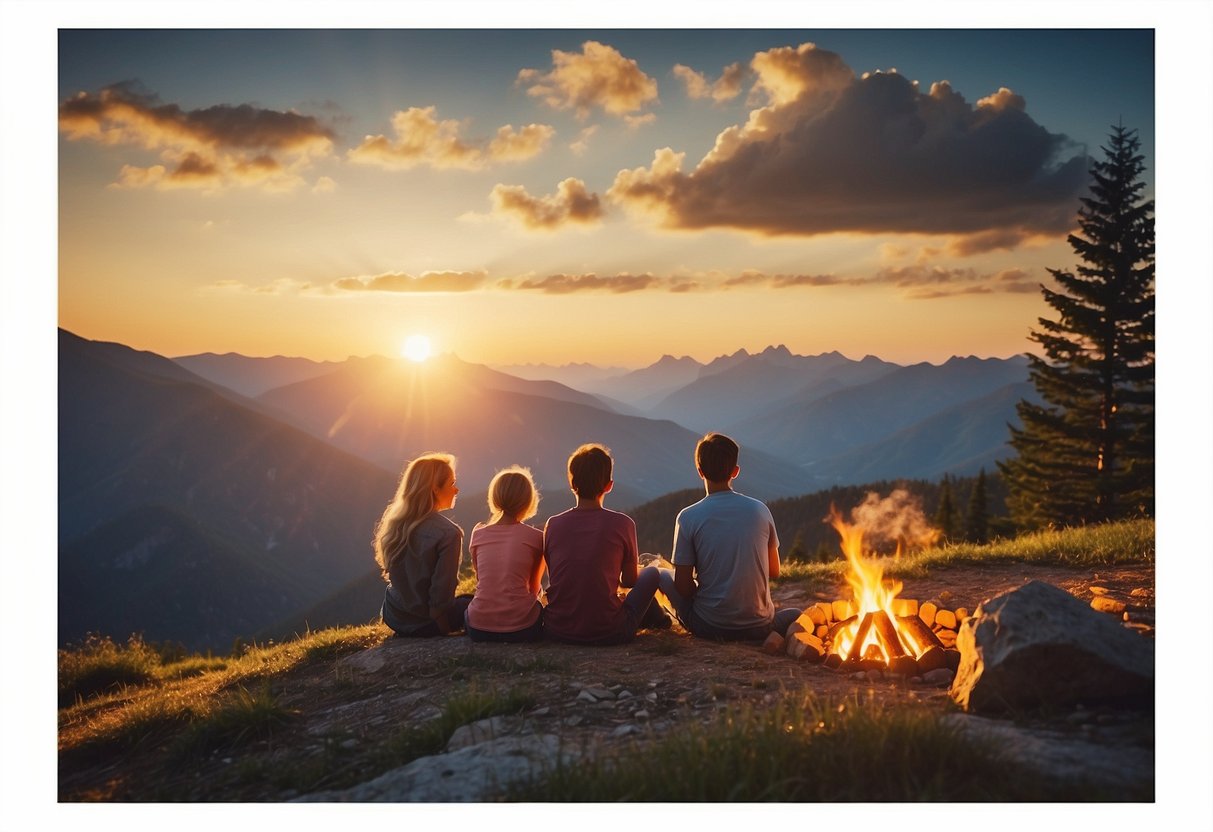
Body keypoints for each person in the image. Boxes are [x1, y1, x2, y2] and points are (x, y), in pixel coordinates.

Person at [658, 433, 801, 640]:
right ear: (735, 471)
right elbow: (774, 570)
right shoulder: (759, 510)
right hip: (760, 627)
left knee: (662, 574)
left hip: (708, 626)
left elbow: (683, 587)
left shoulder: (688, 517)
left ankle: (655, 619)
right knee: (796, 614)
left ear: (700, 472)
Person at [542, 443, 669, 645]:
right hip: (611, 632)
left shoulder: (553, 524)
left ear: (572, 484)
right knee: (653, 573)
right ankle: (661, 620)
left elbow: (559, 576)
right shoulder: (623, 523)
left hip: (557, 630)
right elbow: (628, 581)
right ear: (609, 485)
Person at [374, 452, 471, 637]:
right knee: (471, 603)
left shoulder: (396, 523)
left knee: (465, 600)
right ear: (435, 489)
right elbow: (441, 594)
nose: (456, 490)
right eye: (451, 483)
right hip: (426, 623)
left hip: (395, 615)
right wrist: (445, 632)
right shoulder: (449, 533)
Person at [465, 466, 546, 643]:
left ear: (495, 498)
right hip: (523, 628)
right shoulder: (537, 538)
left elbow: (483, 581)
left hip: (477, 627)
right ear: (528, 501)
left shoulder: (478, 534)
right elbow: (534, 588)